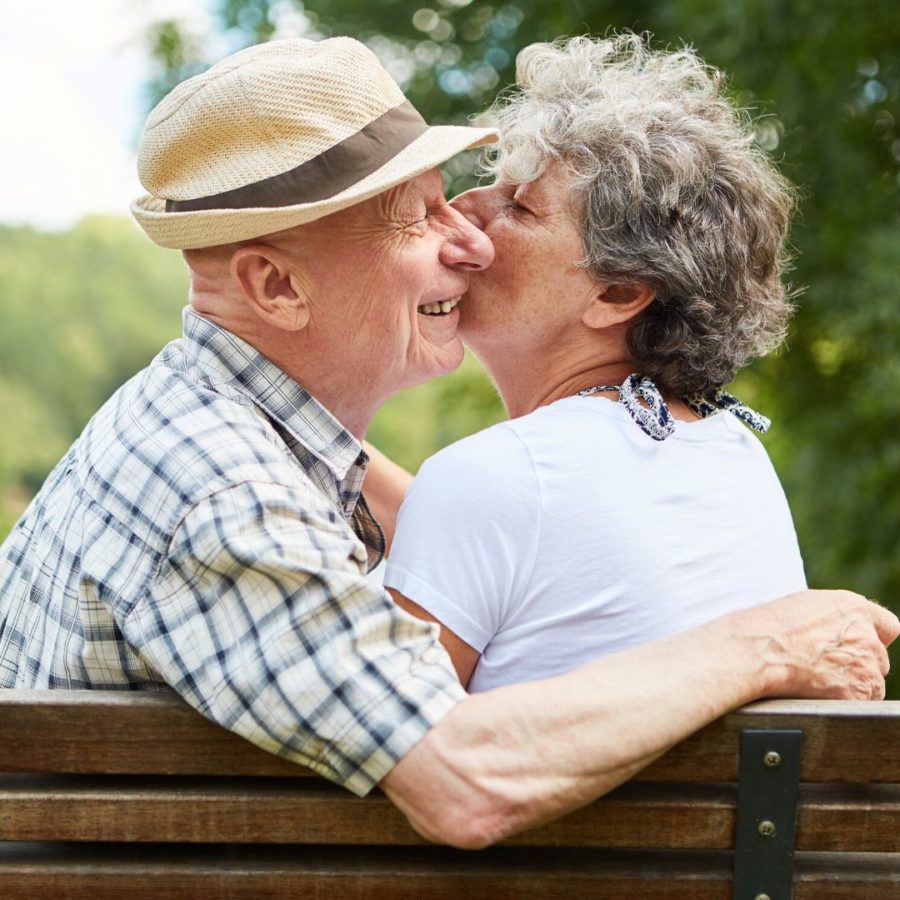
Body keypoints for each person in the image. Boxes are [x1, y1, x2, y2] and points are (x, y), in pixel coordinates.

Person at [0, 36, 895, 851]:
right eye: (418, 217)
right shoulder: (224, 492)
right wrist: (765, 647)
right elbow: (464, 779)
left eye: (504, 205)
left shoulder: (202, 431)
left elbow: (479, 512)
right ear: (273, 285)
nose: (468, 236)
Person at [380, 34, 808, 691]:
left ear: (617, 293)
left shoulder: (492, 481)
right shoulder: (731, 451)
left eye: (518, 206)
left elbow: (378, 760)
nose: (465, 212)